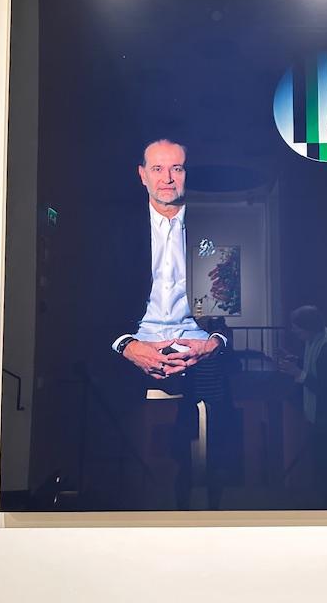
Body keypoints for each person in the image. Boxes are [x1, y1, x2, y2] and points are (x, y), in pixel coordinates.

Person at [107, 139, 227, 509]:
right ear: (142, 175)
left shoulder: (211, 228)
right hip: (133, 353)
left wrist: (214, 342)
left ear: (187, 174)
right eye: (157, 169)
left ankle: (210, 511)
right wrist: (127, 346)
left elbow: (225, 306)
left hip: (199, 353)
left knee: (214, 444)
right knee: (127, 459)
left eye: (177, 168)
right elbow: (94, 302)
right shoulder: (117, 228)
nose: (167, 178)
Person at [278, 305, 327, 508]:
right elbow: (316, 367)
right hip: (324, 420)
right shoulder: (316, 342)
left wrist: (298, 373)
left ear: (309, 327)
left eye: (297, 328)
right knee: (323, 470)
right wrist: (298, 361)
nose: (294, 332)